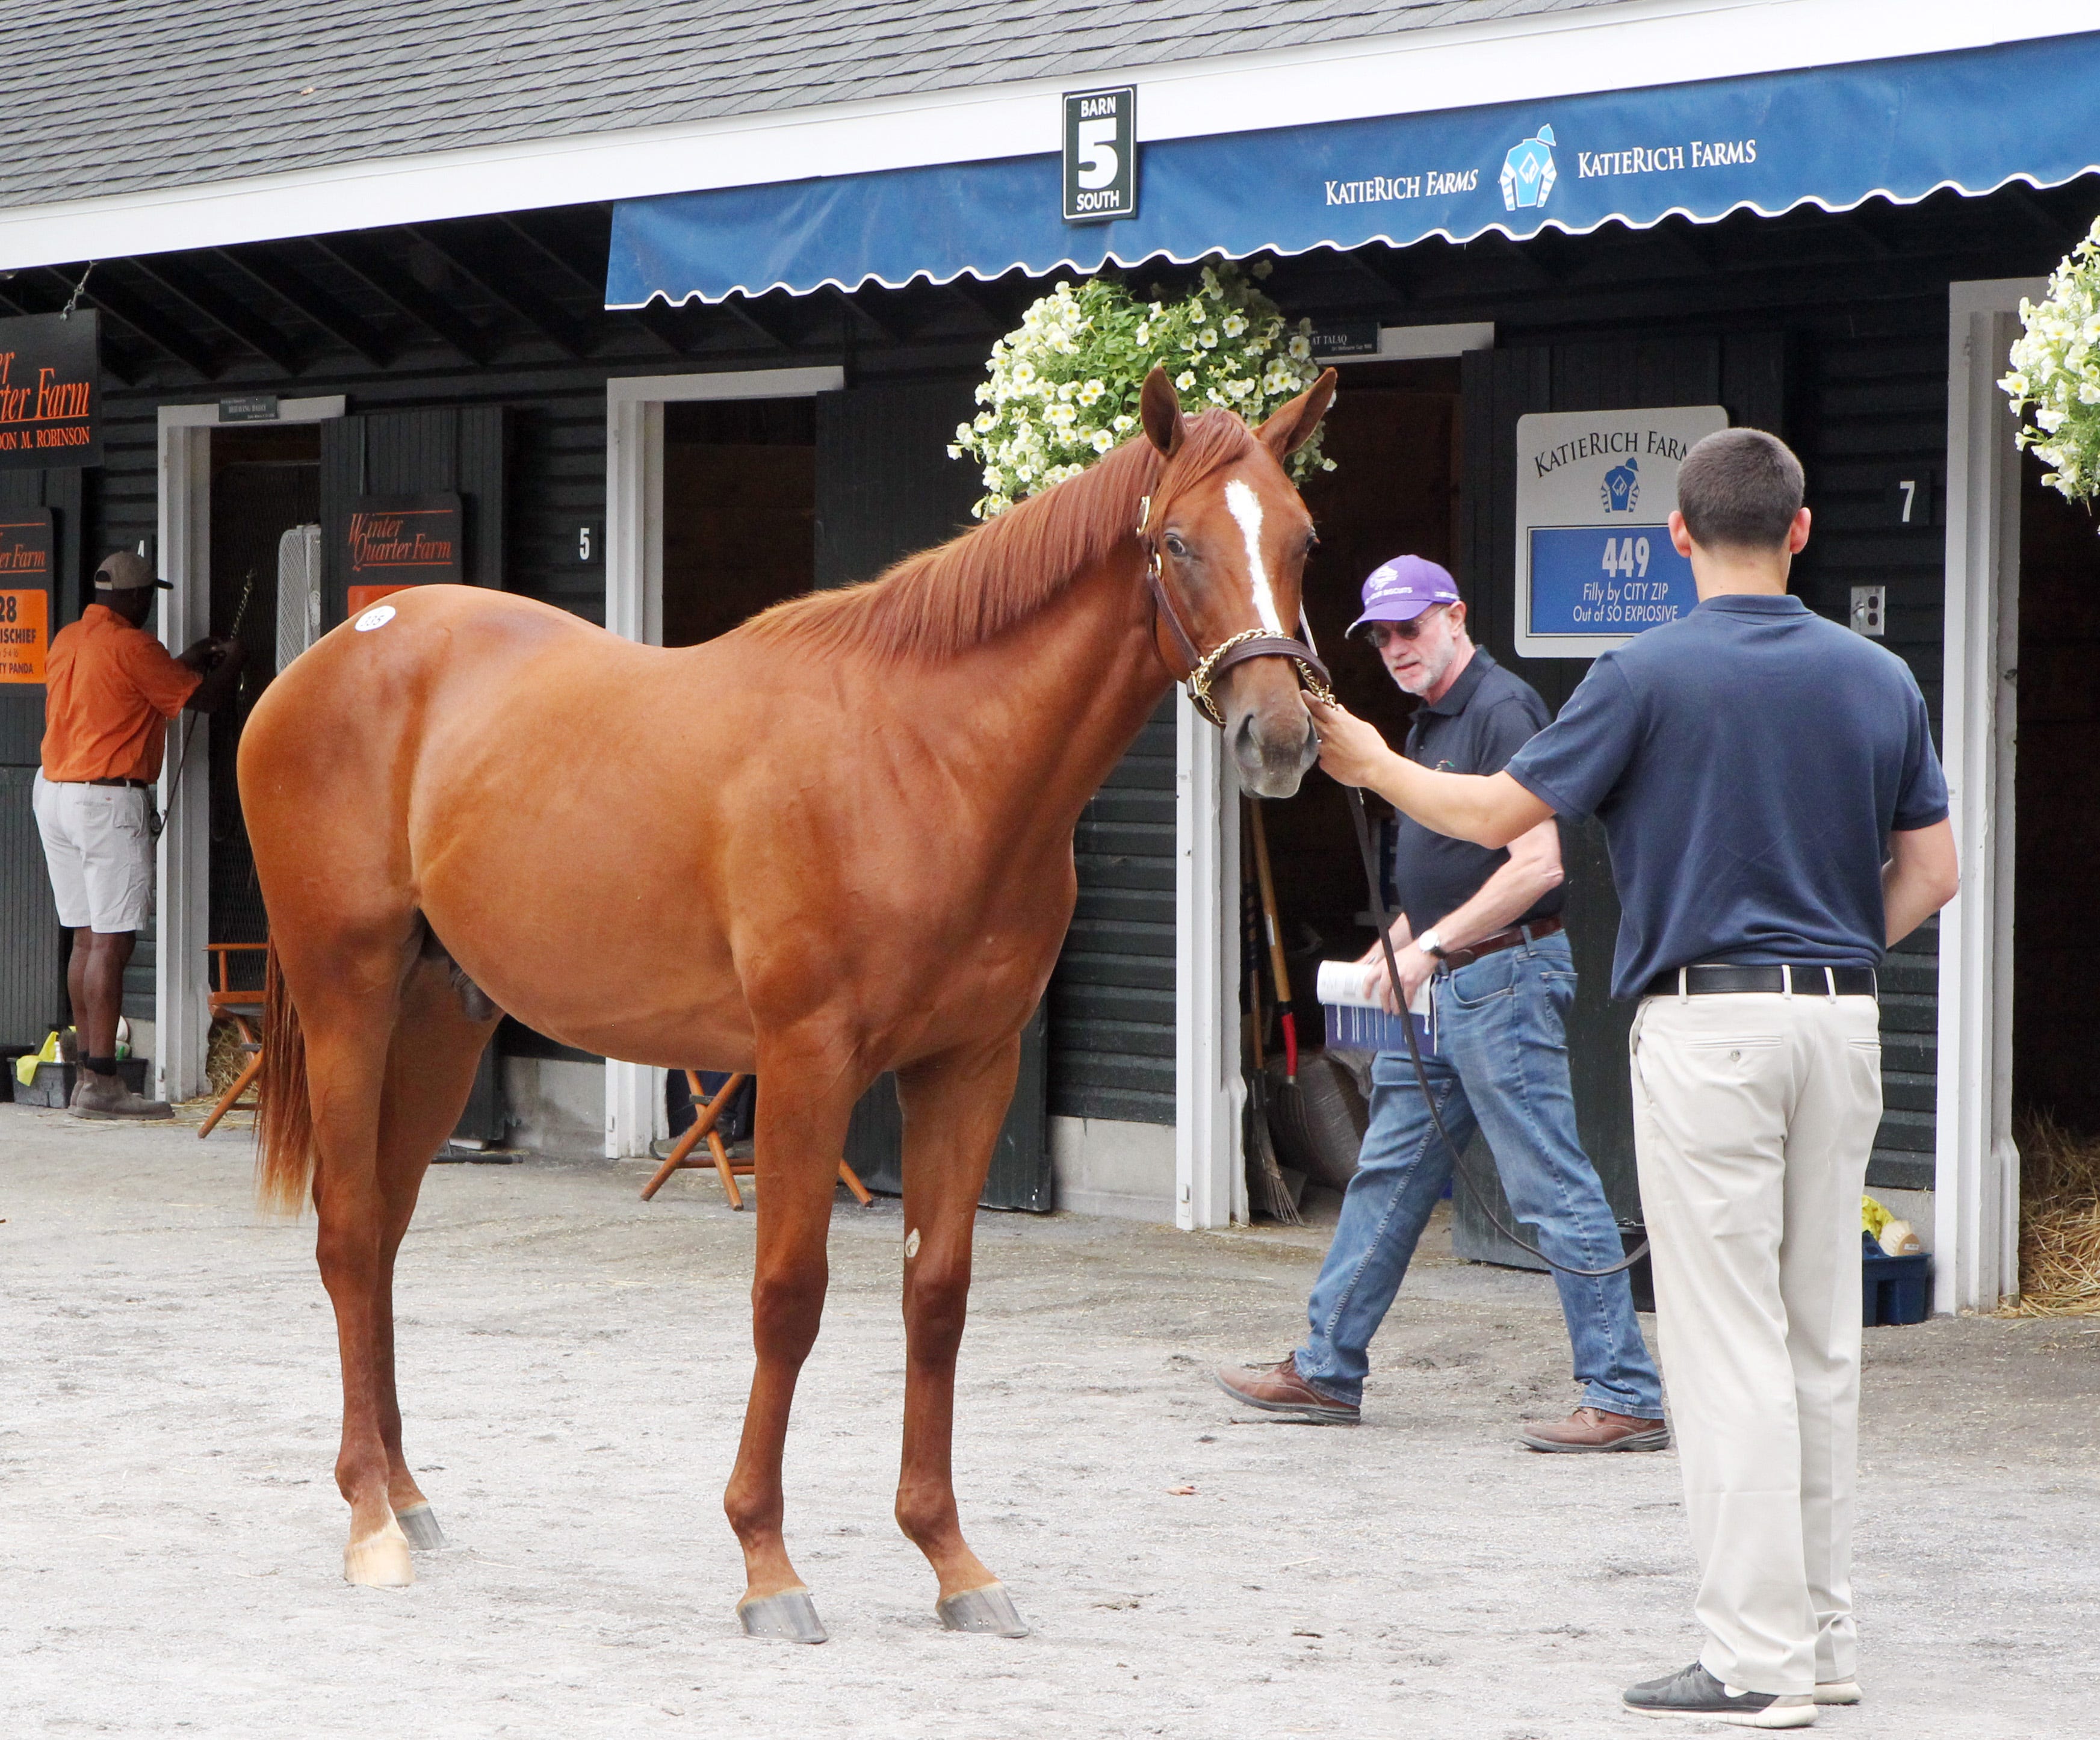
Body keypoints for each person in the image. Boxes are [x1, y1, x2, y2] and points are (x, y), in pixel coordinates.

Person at [1307, 432, 1958, 1729]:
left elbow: (1500, 816)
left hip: (1707, 1032)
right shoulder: (1878, 675)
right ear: (1802, 529)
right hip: (1840, 1026)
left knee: (1722, 1352)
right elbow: (1932, 871)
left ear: (1674, 534)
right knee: (1819, 1341)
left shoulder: (1640, 671)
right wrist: (1821, 955)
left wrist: (1373, 763)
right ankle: (1823, 1639)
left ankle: (1751, 1656)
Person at [1215, 554, 1665, 1451]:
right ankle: (1325, 1367)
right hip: (1455, 978)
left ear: (1455, 614)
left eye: (1409, 627)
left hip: (1502, 977)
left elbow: (1538, 863)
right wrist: (1410, 935)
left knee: (1549, 1186)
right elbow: (1457, 855)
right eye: (1379, 636)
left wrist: (1427, 943)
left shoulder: (1501, 709)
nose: (1394, 648)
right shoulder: (1428, 724)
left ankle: (1624, 1392)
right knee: (1387, 1175)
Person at [35, 550, 245, 1119]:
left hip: (54, 791)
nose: (151, 603)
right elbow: (206, 699)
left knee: (84, 937)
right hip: (105, 799)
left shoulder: (68, 639)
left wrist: (187, 659)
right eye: (148, 594)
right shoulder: (134, 646)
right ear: (132, 598)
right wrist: (234, 660)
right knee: (113, 941)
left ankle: (87, 1076)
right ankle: (105, 1083)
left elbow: (129, 687)